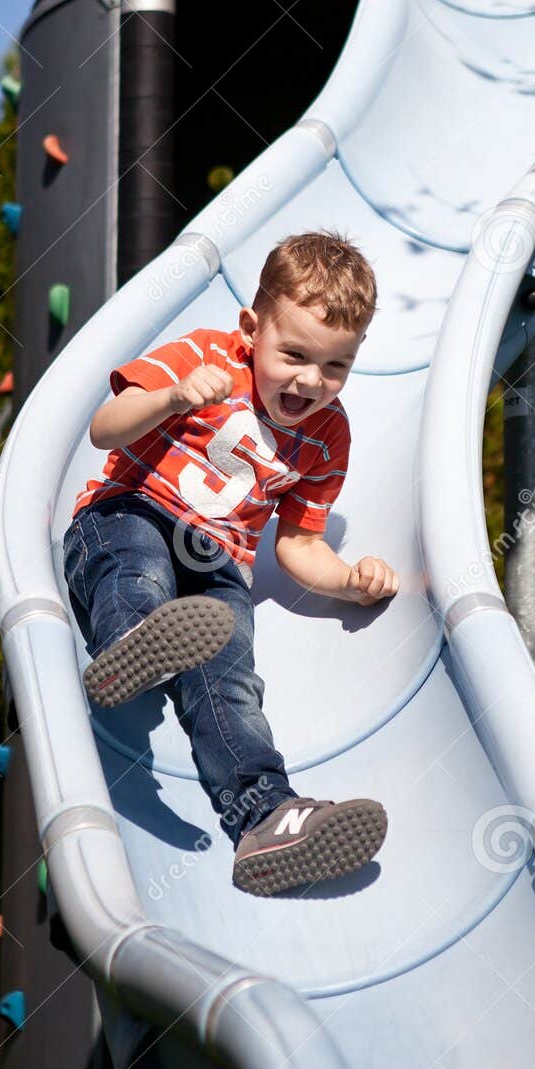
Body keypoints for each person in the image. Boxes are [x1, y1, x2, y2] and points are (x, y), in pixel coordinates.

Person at [62, 228, 399, 896]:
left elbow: (298, 544)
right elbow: (104, 427)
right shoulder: (204, 358)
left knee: (230, 684)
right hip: (127, 512)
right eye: (294, 354)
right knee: (139, 570)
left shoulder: (328, 436)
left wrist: (350, 582)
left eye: (335, 367)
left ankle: (264, 818)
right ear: (250, 329)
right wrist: (173, 399)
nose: (311, 380)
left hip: (218, 567)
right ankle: (129, 640)